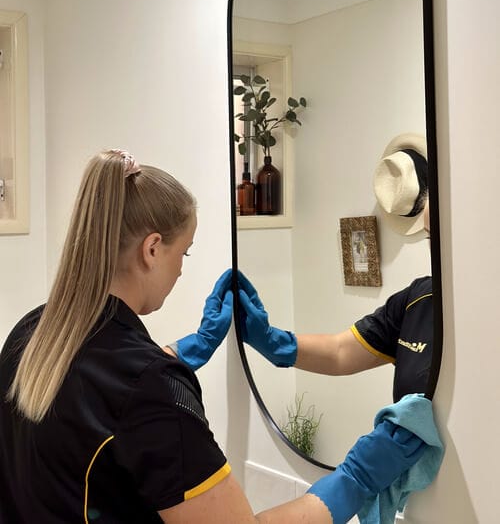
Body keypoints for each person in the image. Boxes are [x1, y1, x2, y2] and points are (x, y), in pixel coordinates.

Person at [0, 149, 426, 523]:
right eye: (184, 251)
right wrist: (354, 478)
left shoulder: (34, 332)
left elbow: (101, 396)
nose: (183, 268)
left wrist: (203, 347)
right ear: (151, 249)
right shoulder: (150, 386)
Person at [237, 134, 433, 404]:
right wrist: (271, 341)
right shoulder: (418, 299)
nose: (435, 252)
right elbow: (340, 352)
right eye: (429, 238)